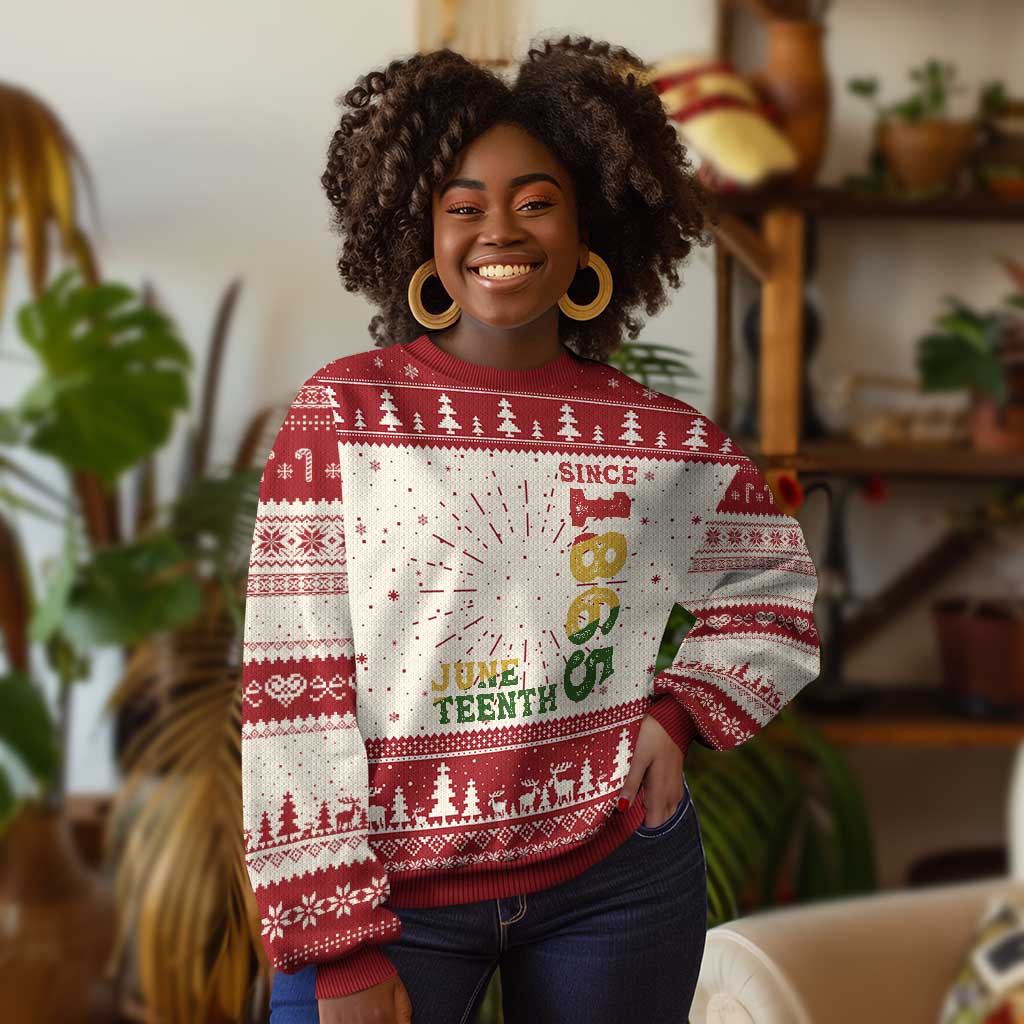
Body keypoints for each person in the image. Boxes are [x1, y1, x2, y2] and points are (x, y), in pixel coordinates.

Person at [241, 34, 821, 1024]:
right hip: (391, 896)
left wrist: (677, 714)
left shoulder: (656, 436)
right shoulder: (345, 415)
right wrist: (337, 949)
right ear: (419, 231)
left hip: (618, 879)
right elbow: (293, 691)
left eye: (534, 202)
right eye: (462, 206)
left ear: (590, 223)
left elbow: (774, 589)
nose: (497, 230)